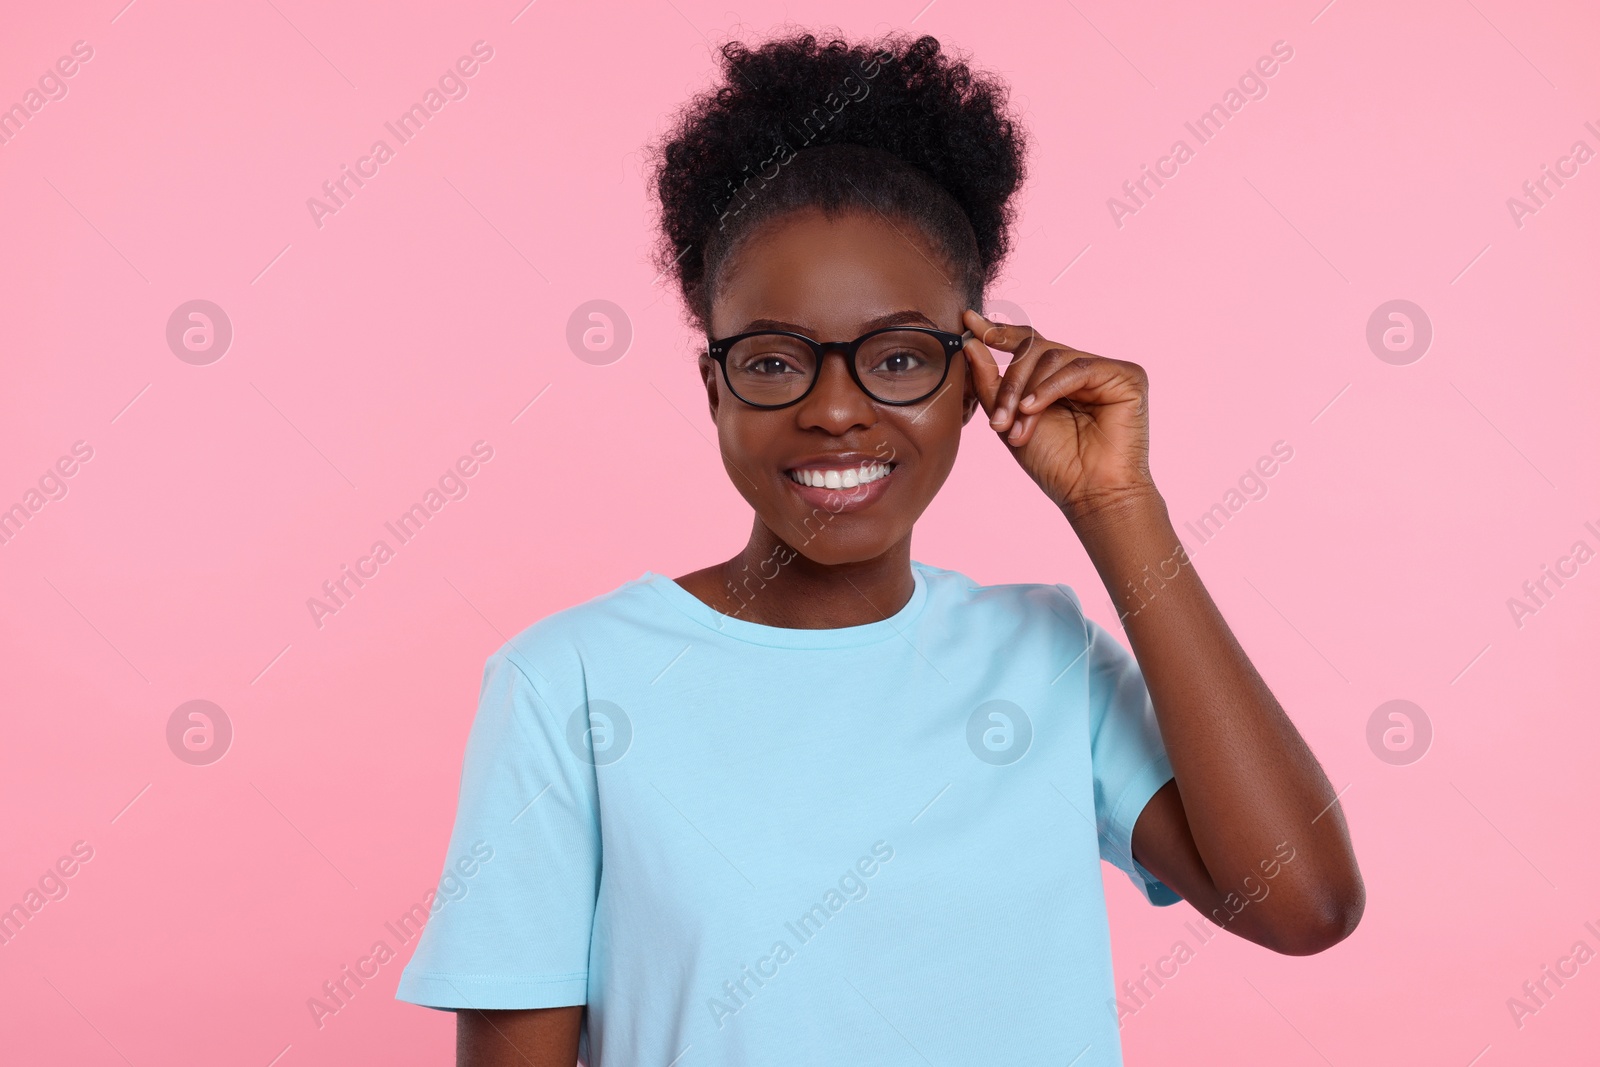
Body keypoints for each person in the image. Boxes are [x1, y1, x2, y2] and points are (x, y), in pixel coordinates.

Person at [394, 30, 1363, 1067]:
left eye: (897, 356)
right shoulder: (569, 683)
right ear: (713, 384)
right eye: (775, 361)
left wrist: (1117, 503)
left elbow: (1301, 902)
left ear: (975, 375)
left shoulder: (1044, 655)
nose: (836, 410)